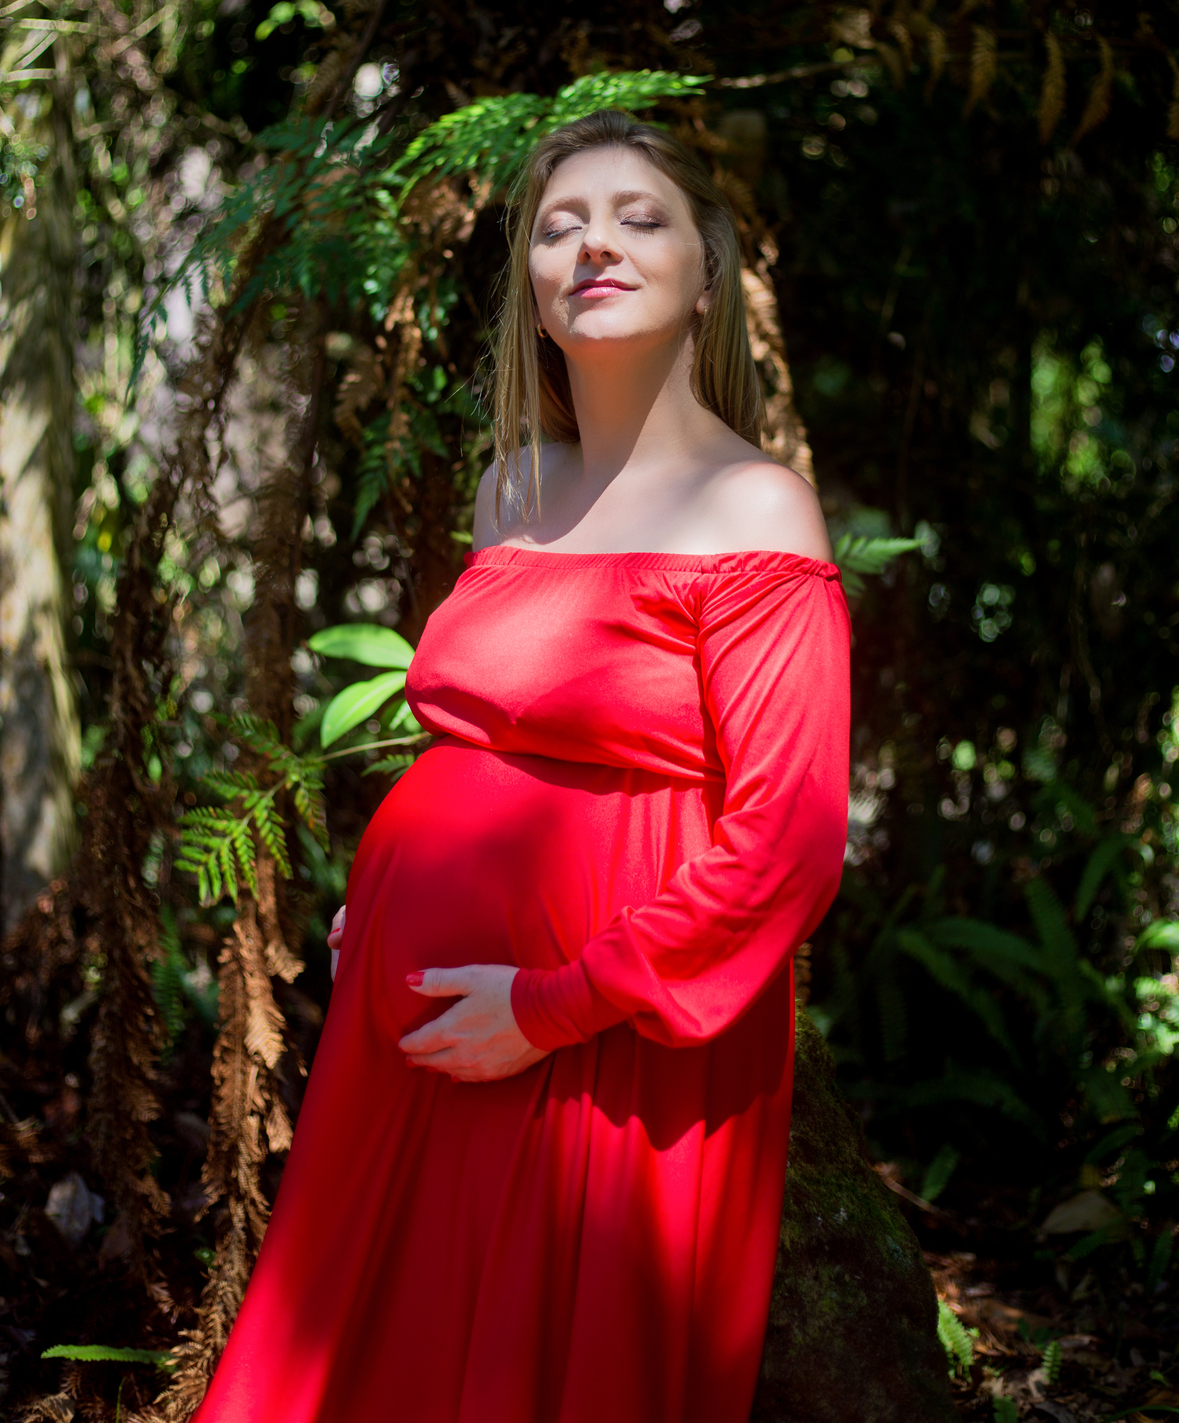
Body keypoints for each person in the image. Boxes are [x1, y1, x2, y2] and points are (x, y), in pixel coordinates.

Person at [193, 109, 850, 1423]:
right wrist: (374, 904)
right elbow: (481, 742)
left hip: (605, 1038)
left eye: (637, 217)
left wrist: (554, 1002)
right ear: (533, 293)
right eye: (560, 225)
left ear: (707, 276)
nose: (593, 243)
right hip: (425, 1019)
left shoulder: (754, 508)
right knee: (376, 1354)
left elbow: (787, 843)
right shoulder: (512, 491)